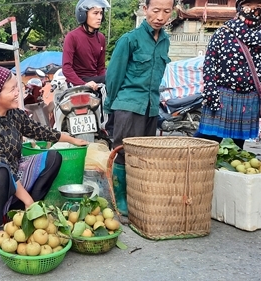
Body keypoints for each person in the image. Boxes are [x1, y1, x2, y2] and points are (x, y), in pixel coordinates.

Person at [0, 66, 88, 245]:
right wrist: (29, 199)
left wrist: (70, 139)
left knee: (53, 157)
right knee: (0, 170)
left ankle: (26, 212)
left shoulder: (12, 113)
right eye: (12, 89)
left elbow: (37, 130)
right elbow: (3, 167)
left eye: (18, 87)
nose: (18, 92)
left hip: (11, 172)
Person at [103, 0, 175, 216]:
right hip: (128, 105)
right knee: (124, 153)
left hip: (151, 107)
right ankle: (120, 200)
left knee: (144, 155)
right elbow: (113, 77)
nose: (160, 17)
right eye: (155, 11)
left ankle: (137, 195)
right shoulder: (129, 40)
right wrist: (111, 109)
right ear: (145, 10)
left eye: (166, 11)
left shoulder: (165, 41)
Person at [194, 0, 261, 149]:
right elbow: (210, 63)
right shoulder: (222, 32)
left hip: (248, 97)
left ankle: (229, 172)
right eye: (249, 5)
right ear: (239, 7)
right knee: (208, 141)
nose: (255, 9)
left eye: (260, 6)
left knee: (236, 146)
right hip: (222, 94)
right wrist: (210, 91)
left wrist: (238, 26)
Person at [62, 0, 114, 134]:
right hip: (78, 80)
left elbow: (101, 68)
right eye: (95, 13)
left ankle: (111, 127)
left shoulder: (101, 38)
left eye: (101, 13)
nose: (99, 17)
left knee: (114, 78)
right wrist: (84, 83)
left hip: (95, 80)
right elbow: (66, 68)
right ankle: (106, 126)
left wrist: (100, 80)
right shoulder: (72, 37)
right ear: (83, 15)